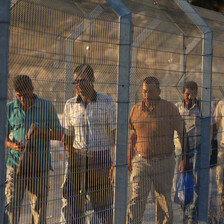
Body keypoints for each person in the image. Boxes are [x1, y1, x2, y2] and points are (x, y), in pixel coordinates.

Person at [127, 76, 189, 224]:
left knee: (163, 199)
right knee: (137, 198)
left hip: (164, 161)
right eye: (144, 92)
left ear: (159, 91)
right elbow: (133, 136)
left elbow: (182, 133)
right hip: (142, 161)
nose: (146, 95)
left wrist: (185, 158)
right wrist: (128, 159)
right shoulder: (136, 110)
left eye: (150, 91)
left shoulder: (169, 109)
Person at [5, 75, 62, 224]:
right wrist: (13, 145)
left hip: (39, 168)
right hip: (15, 166)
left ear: (32, 89)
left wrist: (41, 133)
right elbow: (2, 137)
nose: (23, 99)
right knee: (11, 207)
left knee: (39, 210)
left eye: (26, 95)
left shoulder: (47, 106)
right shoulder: (9, 108)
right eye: (19, 96)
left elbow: (59, 133)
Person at [62, 64, 116, 224]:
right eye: (76, 82)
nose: (78, 84)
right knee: (73, 200)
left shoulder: (107, 102)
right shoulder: (70, 104)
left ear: (92, 80)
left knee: (102, 205)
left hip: (100, 158)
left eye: (82, 80)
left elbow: (115, 134)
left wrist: (114, 162)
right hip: (78, 158)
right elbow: (67, 136)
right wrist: (70, 157)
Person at [174, 81, 216, 223]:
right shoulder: (178, 108)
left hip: (197, 148)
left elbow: (211, 128)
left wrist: (207, 147)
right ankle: (183, 209)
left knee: (196, 181)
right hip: (180, 149)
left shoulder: (202, 108)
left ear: (196, 94)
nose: (189, 96)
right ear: (183, 93)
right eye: (187, 93)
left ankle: (193, 212)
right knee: (179, 180)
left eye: (192, 93)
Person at [214, 98, 224, 215]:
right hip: (222, 146)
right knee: (220, 175)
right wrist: (210, 141)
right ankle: (222, 198)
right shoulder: (221, 104)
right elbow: (216, 124)